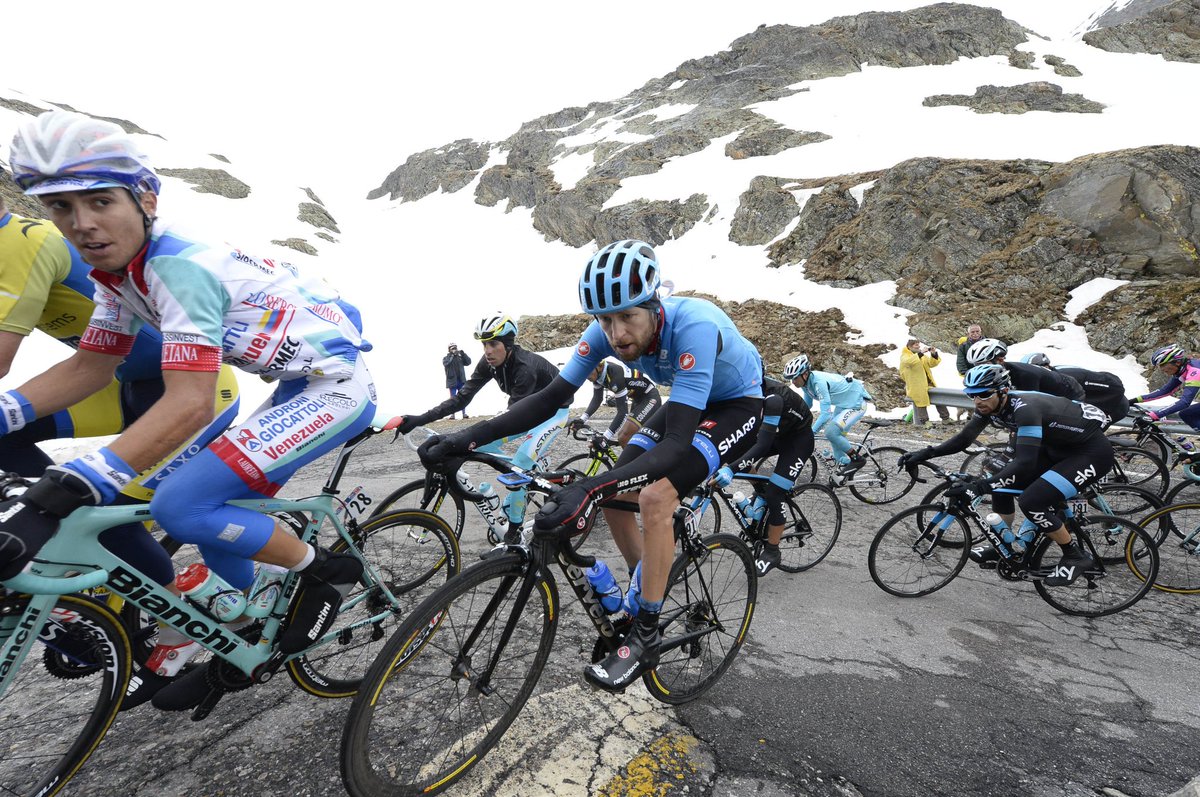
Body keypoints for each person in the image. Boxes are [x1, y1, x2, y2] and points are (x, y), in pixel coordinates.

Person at [0, 110, 377, 711]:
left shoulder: (176, 266)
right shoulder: (118, 271)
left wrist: (84, 478)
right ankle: (248, 621)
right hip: (292, 382)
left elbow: (192, 399)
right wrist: (7, 412)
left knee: (181, 505)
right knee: (202, 510)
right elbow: (91, 368)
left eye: (99, 201)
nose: (82, 224)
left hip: (334, 388)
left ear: (145, 196)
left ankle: (321, 571)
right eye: (61, 209)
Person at [418, 239, 764, 691]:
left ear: (654, 305)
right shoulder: (604, 331)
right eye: (605, 319)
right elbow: (552, 398)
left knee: (656, 497)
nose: (616, 333)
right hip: (687, 400)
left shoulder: (694, 326)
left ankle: (645, 632)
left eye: (627, 318)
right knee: (618, 493)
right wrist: (463, 438)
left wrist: (590, 488)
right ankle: (646, 592)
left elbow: (678, 442)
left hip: (736, 403)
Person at [0, 190, 242, 704]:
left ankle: (145, 626)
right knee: (12, 440)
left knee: (105, 509)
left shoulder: (16, 241)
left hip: (191, 388)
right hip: (120, 385)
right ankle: (56, 543)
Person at [898, 364, 1111, 586]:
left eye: (983, 394)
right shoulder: (990, 407)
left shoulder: (1025, 409)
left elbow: (1025, 462)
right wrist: (925, 453)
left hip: (1089, 453)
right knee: (1000, 484)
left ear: (1003, 391)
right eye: (971, 395)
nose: (977, 401)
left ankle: (1074, 555)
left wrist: (980, 487)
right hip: (1057, 447)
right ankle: (1004, 542)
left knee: (1032, 501)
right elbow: (964, 439)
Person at [398, 313, 568, 534]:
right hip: (526, 410)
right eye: (484, 344)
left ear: (507, 345)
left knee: (521, 462)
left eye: (493, 344)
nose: (487, 350)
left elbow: (510, 419)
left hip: (554, 412)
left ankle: (514, 532)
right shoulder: (488, 363)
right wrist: (423, 417)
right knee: (474, 444)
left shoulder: (525, 367)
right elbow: (462, 398)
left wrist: (461, 438)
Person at [714, 361, 814, 576]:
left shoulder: (773, 398)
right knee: (734, 451)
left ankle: (773, 550)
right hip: (778, 432)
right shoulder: (741, 393)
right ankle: (760, 491)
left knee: (775, 492)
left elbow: (762, 445)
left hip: (798, 440)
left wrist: (731, 470)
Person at [789, 355, 872, 480]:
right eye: (791, 379)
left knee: (831, 432)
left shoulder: (818, 382)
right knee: (837, 449)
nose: (793, 382)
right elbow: (807, 406)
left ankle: (857, 459)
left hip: (856, 404)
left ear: (805, 374)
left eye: (794, 378)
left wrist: (811, 432)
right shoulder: (806, 384)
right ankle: (842, 474)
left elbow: (826, 414)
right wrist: (794, 419)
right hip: (844, 404)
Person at [1021, 352, 1129, 428]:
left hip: (1116, 405)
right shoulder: (1050, 379)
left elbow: (1116, 387)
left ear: (1046, 367)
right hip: (1094, 402)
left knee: (1085, 435)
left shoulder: (1070, 377)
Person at [572, 358, 662, 446]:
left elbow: (622, 412)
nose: (586, 376)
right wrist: (582, 419)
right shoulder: (598, 375)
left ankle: (639, 460)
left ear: (599, 367)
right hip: (637, 399)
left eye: (588, 372)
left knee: (623, 436)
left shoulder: (614, 374)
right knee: (633, 437)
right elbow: (597, 399)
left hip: (650, 397)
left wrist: (606, 437)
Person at [966, 338, 1084, 402]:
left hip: (1070, 391)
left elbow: (1034, 405)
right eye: (976, 365)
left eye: (984, 364)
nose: (979, 368)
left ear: (1000, 360)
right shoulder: (999, 375)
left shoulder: (1025, 375)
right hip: (1047, 392)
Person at [1129, 344, 1200, 430]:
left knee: (1187, 414)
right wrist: (1134, 400)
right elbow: (1165, 391)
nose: (1161, 369)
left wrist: (1153, 416)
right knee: (1187, 414)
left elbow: (1184, 402)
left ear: (1177, 362)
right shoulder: (1182, 370)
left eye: (1163, 365)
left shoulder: (1195, 371)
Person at [899, 338, 951, 427]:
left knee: (939, 398)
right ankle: (925, 422)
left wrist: (933, 354)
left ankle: (946, 418)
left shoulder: (920, 355)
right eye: (916, 345)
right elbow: (909, 362)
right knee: (921, 402)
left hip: (928, 383)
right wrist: (921, 353)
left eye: (918, 345)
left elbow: (931, 364)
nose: (918, 346)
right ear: (909, 347)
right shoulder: (905, 356)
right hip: (916, 384)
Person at [954, 324, 985, 421]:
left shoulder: (987, 343)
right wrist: (965, 373)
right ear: (968, 333)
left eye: (977, 331)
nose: (975, 334)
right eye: (972, 332)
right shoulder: (963, 346)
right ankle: (972, 416)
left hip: (985, 374)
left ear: (980, 332)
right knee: (973, 396)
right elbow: (960, 361)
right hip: (971, 376)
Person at [442, 343, 471, 419]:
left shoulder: (460, 357)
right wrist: (452, 355)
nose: (454, 349)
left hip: (461, 380)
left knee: (463, 397)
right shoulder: (446, 358)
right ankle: (452, 414)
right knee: (452, 399)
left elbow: (468, 362)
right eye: (452, 348)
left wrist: (463, 354)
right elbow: (447, 364)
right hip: (452, 382)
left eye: (455, 347)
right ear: (449, 350)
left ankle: (464, 413)